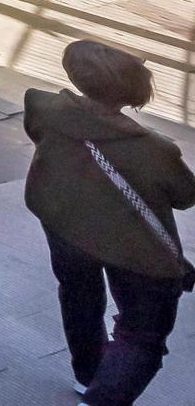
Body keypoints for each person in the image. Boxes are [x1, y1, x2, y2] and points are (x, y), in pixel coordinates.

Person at [26, 38, 195, 405]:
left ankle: (88, 375)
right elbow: (185, 196)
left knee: (79, 294)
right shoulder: (155, 149)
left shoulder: (44, 108)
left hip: (63, 224)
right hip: (131, 247)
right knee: (142, 336)